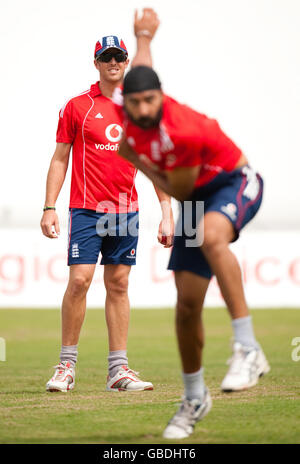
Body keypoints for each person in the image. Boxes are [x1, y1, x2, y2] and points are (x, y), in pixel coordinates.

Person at [116, 8, 270, 438]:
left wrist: (137, 160)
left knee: (210, 234)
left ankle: (248, 346)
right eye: (135, 102)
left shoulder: (181, 132)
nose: (144, 108)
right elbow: (141, 69)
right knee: (186, 307)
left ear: (162, 97)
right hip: (196, 196)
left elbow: (182, 193)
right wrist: (143, 36)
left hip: (232, 181)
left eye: (149, 100)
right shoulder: (133, 108)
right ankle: (194, 397)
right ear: (125, 103)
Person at [40, 21, 174, 393]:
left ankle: (119, 372)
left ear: (126, 62)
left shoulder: (139, 109)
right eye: (106, 57)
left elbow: (153, 164)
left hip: (125, 211)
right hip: (86, 209)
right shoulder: (77, 107)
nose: (113, 62)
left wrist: (166, 212)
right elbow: (59, 159)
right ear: (97, 63)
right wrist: (49, 206)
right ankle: (66, 366)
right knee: (80, 281)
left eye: (118, 56)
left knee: (118, 284)